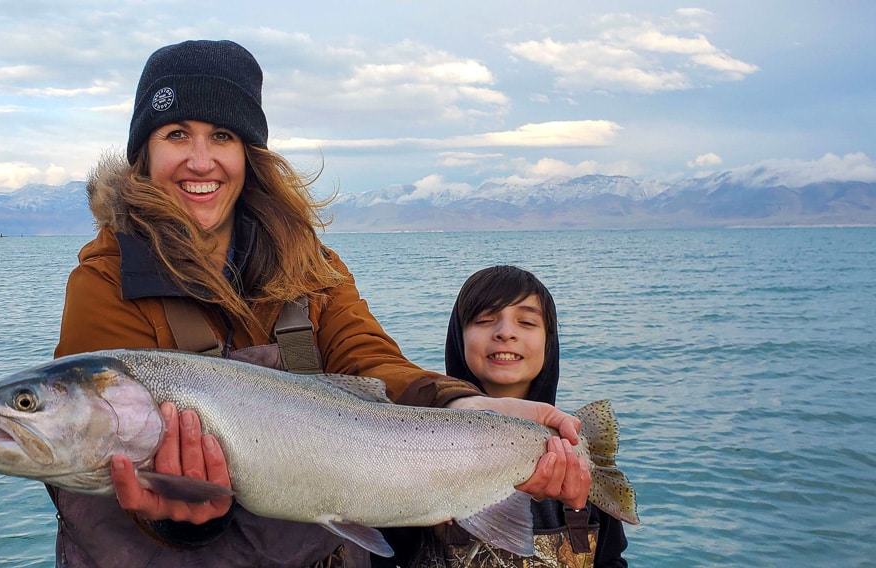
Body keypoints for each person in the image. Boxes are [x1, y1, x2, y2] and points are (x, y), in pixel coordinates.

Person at [51, 40, 590, 568]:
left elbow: (369, 361)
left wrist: (461, 406)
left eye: (222, 135)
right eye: (175, 134)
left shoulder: (310, 265)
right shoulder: (105, 279)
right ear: (145, 154)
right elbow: (85, 454)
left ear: (248, 155)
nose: (200, 160)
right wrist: (176, 517)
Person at [379, 266, 629, 567]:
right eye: (484, 320)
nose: (505, 332)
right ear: (458, 339)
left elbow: (611, 560)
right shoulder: (416, 448)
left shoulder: (575, 450)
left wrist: (577, 511)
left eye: (526, 322)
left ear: (549, 342)